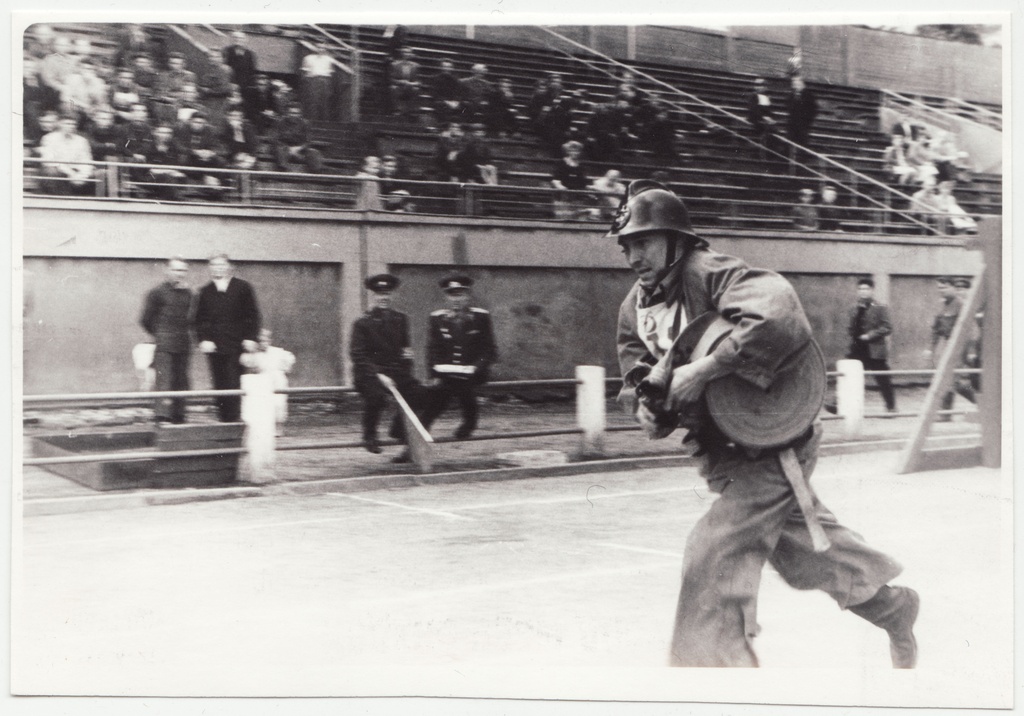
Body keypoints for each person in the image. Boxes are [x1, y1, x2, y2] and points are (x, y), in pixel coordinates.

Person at [610, 179, 918, 668]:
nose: (634, 256)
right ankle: (893, 608)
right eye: (627, 245)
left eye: (644, 242)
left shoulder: (707, 269)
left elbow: (779, 311)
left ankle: (717, 679)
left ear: (676, 240)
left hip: (774, 437)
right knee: (804, 554)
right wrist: (647, 407)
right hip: (722, 449)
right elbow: (637, 376)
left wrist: (708, 368)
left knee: (714, 549)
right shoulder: (635, 309)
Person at [349, 273, 426, 460]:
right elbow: (358, 355)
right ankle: (370, 435)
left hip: (395, 371)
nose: (383, 297)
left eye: (387, 293)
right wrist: (378, 375)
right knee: (377, 398)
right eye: (379, 293)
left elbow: (405, 350)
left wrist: (406, 373)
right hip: (368, 373)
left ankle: (397, 429)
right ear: (373, 296)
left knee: (421, 394)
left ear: (392, 295)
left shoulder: (401, 319)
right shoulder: (362, 323)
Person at [420, 275, 497, 440]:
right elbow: (432, 349)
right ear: (446, 297)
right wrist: (433, 375)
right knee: (431, 408)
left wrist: (476, 367)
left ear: (468, 296)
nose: (456, 299)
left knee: (467, 396)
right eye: (451, 295)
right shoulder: (437, 318)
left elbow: (490, 350)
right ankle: (413, 448)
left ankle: (468, 426)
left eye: (460, 295)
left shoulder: (480, 317)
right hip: (446, 375)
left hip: (471, 375)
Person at [192, 253, 262, 423]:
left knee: (233, 383)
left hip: (236, 345)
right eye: (214, 265)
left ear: (229, 267)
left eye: (222, 264)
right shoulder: (204, 291)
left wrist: (251, 337)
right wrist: (204, 339)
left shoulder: (243, 287)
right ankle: (224, 422)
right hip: (215, 348)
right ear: (210, 268)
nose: (218, 268)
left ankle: (234, 422)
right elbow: (199, 320)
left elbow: (253, 315)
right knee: (219, 385)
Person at [140, 257, 194, 424]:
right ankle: (162, 416)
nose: (180, 274)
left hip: (183, 343)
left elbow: (191, 319)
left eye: (183, 270)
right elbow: (146, 319)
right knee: (164, 380)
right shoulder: (157, 292)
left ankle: (179, 416)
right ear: (168, 271)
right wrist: (160, 334)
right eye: (176, 270)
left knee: (181, 381)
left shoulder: (189, 294)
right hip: (164, 344)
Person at [924, 276, 975, 420]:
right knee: (948, 379)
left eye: (944, 288)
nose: (941, 291)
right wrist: (930, 348)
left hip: (961, 345)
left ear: (952, 287)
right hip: (947, 345)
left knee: (953, 380)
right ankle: (946, 414)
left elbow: (970, 329)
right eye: (939, 288)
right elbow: (936, 329)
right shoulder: (942, 305)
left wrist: (970, 351)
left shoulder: (961, 305)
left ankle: (982, 404)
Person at [847, 277, 897, 413]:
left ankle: (891, 406)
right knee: (848, 376)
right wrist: (854, 334)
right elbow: (851, 327)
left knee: (883, 379)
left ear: (872, 291)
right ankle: (840, 404)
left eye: (866, 289)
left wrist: (870, 335)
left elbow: (887, 327)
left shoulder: (880, 307)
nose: (863, 292)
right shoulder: (853, 308)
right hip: (857, 348)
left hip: (875, 349)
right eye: (861, 289)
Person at [239, 328, 295, 437]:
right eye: (260, 341)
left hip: (276, 381)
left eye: (266, 340)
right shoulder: (253, 354)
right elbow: (247, 363)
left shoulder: (277, 352)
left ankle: (278, 427)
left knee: (278, 404)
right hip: (262, 381)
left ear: (270, 340)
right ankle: (260, 427)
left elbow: (290, 359)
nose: (263, 343)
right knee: (260, 404)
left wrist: (285, 369)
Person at [37, 113, 95, 195]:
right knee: (51, 171)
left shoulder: (82, 141)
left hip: (76, 169)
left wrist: (82, 174)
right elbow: (50, 161)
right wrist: (72, 173)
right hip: (59, 169)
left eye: (73, 124)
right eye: (67, 124)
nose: (71, 126)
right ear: (60, 124)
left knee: (94, 174)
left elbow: (87, 159)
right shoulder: (49, 138)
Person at [272, 103, 324, 173]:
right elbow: (275, 138)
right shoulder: (280, 122)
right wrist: (288, 148)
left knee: (314, 152)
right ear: (287, 113)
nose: (293, 115)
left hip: (300, 150)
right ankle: (282, 171)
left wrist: (299, 148)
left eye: (296, 113)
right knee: (279, 149)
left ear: (300, 114)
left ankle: (317, 174)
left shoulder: (305, 124)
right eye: (291, 113)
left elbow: (308, 140)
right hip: (284, 149)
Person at [550, 140, 591, 220]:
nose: (575, 153)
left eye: (577, 151)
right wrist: (560, 187)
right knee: (563, 220)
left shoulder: (581, 166)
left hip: (577, 197)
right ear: (568, 151)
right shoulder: (561, 163)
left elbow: (583, 181)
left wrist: (591, 187)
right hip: (563, 197)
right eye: (572, 150)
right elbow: (555, 179)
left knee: (577, 220)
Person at [300, 42, 335, 121]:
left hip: (325, 80)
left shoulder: (328, 59)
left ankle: (325, 121)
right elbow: (304, 73)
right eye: (319, 47)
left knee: (325, 101)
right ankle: (312, 120)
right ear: (314, 48)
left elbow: (330, 73)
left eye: (323, 48)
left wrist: (327, 83)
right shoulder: (308, 58)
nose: (321, 49)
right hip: (313, 80)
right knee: (313, 101)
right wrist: (309, 83)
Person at [786, 75, 818, 163]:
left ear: (801, 83)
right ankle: (790, 161)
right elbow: (788, 107)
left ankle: (802, 161)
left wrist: (807, 121)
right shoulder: (792, 94)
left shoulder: (808, 95)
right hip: (792, 124)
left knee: (802, 143)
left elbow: (814, 109)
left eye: (795, 82)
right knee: (790, 143)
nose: (794, 85)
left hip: (803, 124)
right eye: (793, 83)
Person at [746, 77, 776, 160]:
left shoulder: (766, 97)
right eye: (757, 85)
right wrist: (763, 118)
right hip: (756, 119)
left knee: (774, 130)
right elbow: (753, 109)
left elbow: (770, 110)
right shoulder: (753, 96)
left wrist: (771, 118)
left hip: (765, 121)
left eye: (761, 85)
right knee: (768, 129)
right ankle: (766, 154)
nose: (759, 87)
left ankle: (771, 153)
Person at [388, 46, 421, 118]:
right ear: (401, 53)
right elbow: (391, 79)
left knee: (416, 89)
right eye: (404, 52)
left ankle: (412, 111)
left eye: (408, 52)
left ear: (411, 54)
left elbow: (418, 81)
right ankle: (397, 110)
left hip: (410, 87)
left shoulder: (415, 66)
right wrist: (401, 81)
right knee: (393, 88)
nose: (406, 54)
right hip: (400, 86)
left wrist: (412, 83)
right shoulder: (395, 64)